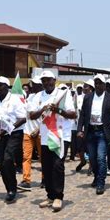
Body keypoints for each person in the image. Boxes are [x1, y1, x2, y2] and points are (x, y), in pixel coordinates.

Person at [30, 71, 76, 212]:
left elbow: (72, 114)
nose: (46, 83)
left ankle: (58, 197)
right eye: (43, 81)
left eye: (49, 80)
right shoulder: (38, 96)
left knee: (57, 165)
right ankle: (50, 195)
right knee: (47, 167)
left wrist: (58, 110)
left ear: (54, 80)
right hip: (45, 136)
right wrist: (42, 109)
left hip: (61, 135)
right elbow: (31, 115)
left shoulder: (63, 94)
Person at [77, 74, 110, 195]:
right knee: (92, 158)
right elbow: (83, 115)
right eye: (96, 83)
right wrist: (80, 129)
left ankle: (101, 182)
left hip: (103, 132)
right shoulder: (88, 97)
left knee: (101, 158)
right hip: (90, 131)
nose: (98, 85)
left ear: (105, 85)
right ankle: (96, 176)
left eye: (100, 83)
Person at [0, 76, 26, 203]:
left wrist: (7, 129)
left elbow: (23, 118)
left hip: (14, 133)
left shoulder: (14, 99)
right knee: (2, 163)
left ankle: (13, 188)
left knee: (8, 159)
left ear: (6, 86)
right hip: (0, 135)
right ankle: (9, 188)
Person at [18, 77, 43, 191]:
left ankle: (45, 179)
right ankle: (26, 180)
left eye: (37, 84)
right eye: (33, 84)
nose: (35, 86)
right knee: (26, 157)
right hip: (27, 131)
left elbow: (46, 117)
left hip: (40, 132)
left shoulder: (44, 97)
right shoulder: (29, 97)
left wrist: (38, 129)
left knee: (43, 158)